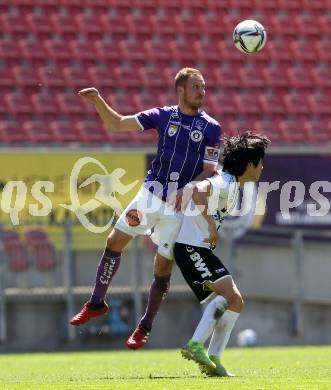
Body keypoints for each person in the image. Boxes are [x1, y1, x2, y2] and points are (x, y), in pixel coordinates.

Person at [70, 68, 222, 350]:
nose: (202, 91)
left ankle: (144, 326)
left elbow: (210, 171)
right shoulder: (163, 115)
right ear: (181, 90)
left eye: (203, 87)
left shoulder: (212, 128)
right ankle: (96, 303)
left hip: (178, 207)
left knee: (162, 267)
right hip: (151, 195)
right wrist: (98, 102)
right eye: (196, 87)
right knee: (114, 241)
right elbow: (117, 124)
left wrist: (188, 188)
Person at [174, 131, 270, 376]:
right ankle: (196, 345)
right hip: (190, 248)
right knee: (229, 295)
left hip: (197, 249)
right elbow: (197, 190)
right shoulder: (225, 182)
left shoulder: (233, 185)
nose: (262, 167)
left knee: (234, 301)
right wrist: (209, 226)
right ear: (250, 165)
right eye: (260, 162)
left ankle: (214, 360)